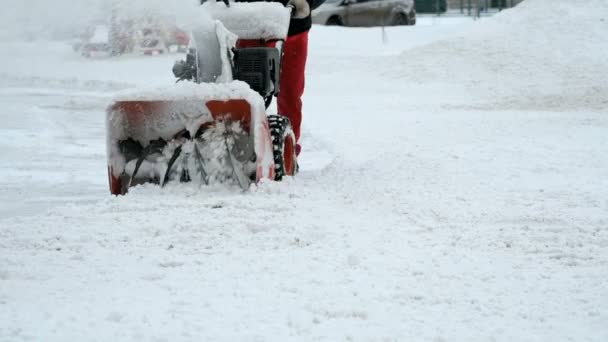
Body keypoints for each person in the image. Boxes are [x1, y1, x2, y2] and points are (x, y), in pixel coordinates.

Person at [237, 0, 324, 157]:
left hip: (293, 28)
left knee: (290, 92)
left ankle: (286, 151)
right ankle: (238, 143)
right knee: (243, 89)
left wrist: (307, 2)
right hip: (249, 25)